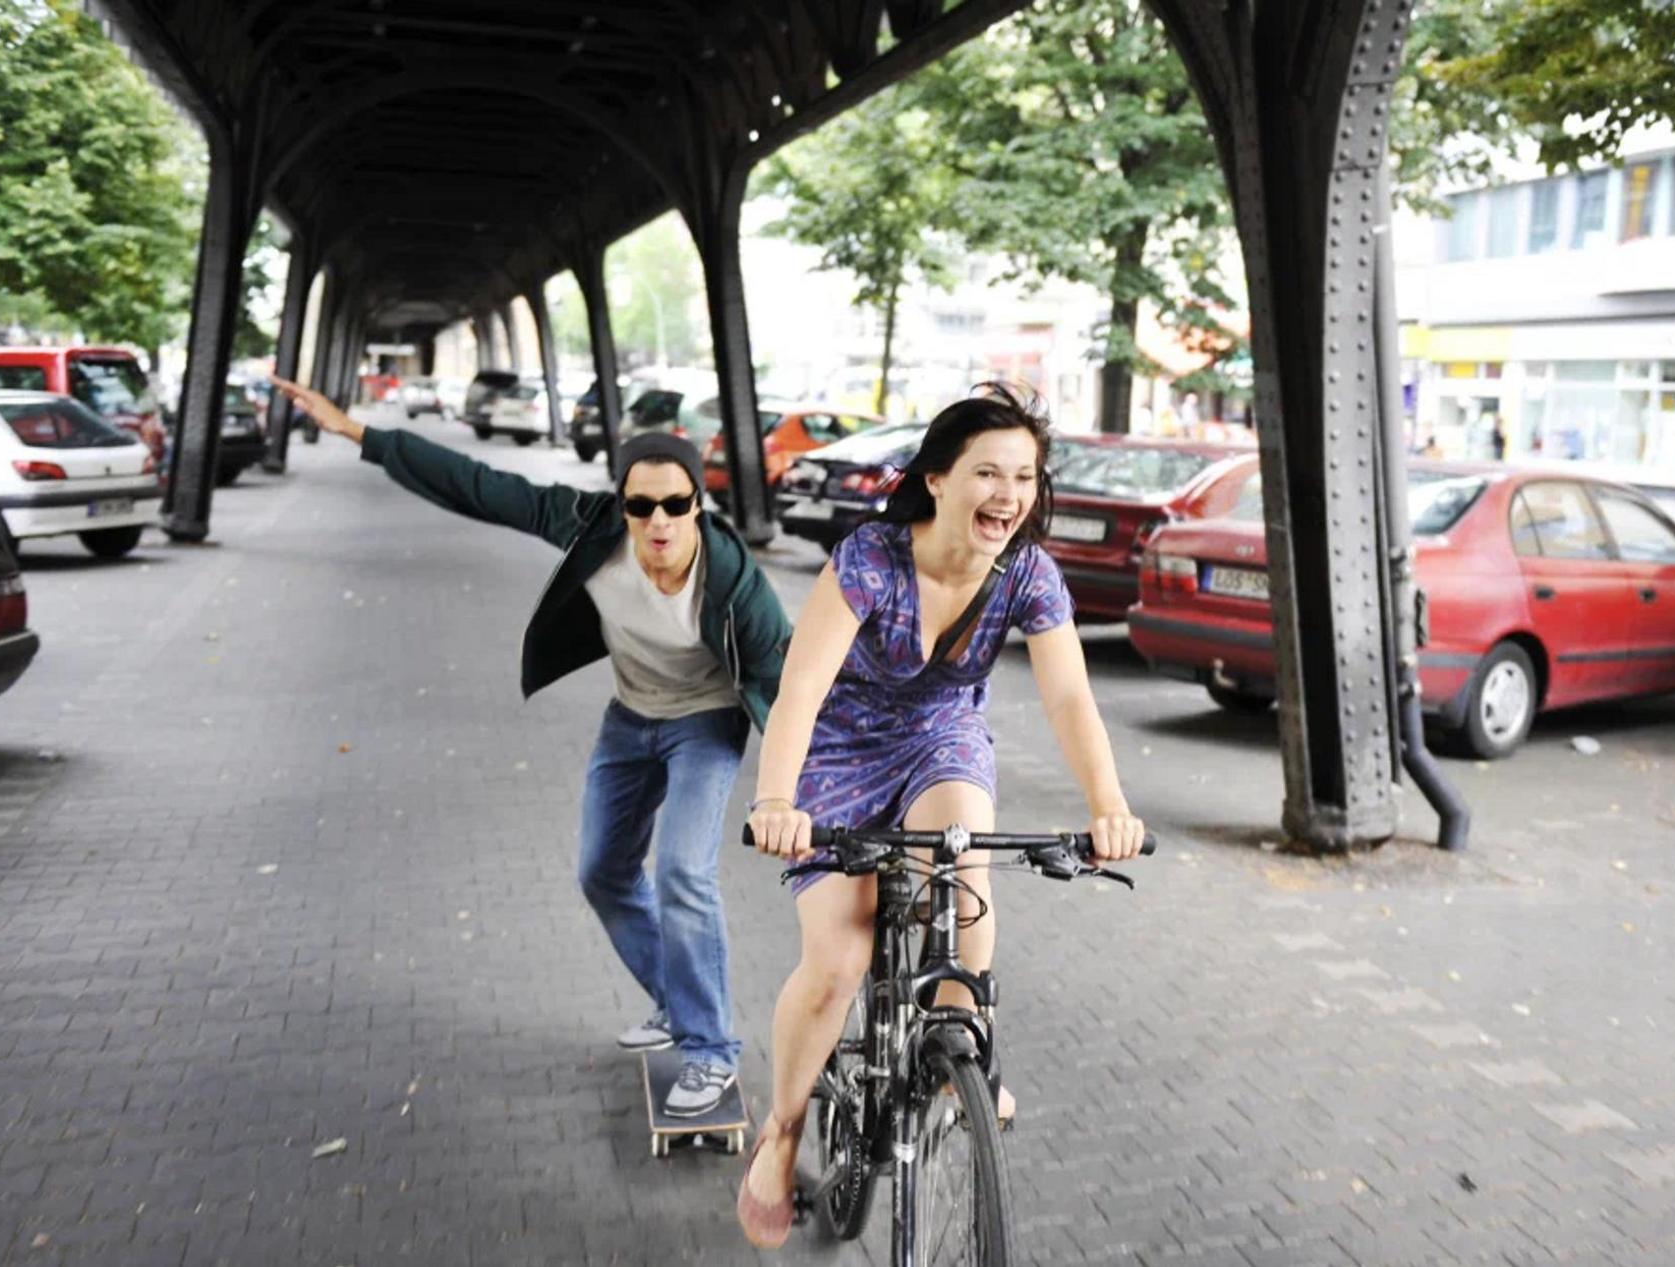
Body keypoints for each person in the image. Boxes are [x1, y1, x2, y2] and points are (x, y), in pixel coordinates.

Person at [268, 375, 791, 1117]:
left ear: (697, 505)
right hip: (630, 717)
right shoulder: (589, 528)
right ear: (622, 506)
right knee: (603, 873)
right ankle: (678, 1002)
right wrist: (360, 433)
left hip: (705, 724)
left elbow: (789, 684)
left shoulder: (737, 585)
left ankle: (710, 1048)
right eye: (641, 506)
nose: (660, 522)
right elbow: (480, 485)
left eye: (677, 504)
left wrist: (804, 791)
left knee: (682, 871)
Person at [733, 385, 1147, 1249]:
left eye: (1025, 476)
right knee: (841, 955)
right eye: (987, 472)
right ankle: (782, 1132)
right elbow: (801, 689)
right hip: (838, 748)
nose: (1008, 493)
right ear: (937, 479)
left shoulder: (1028, 572)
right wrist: (776, 799)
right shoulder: (870, 559)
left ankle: (963, 1044)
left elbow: (1070, 694)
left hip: (940, 737)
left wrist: (1109, 806)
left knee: (964, 871)